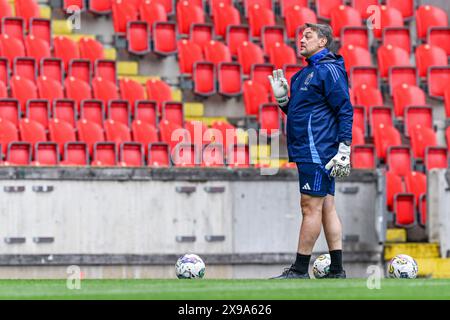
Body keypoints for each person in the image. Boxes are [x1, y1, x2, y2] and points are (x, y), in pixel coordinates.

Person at [268, 23, 353, 279]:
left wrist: (344, 146)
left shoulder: (329, 70)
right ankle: (337, 270)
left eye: (308, 36)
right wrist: (284, 102)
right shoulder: (301, 75)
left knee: (309, 206)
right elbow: (300, 113)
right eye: (300, 35)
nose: (301, 40)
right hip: (308, 147)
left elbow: (345, 109)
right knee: (327, 206)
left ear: (323, 42)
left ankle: (299, 269)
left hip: (317, 149)